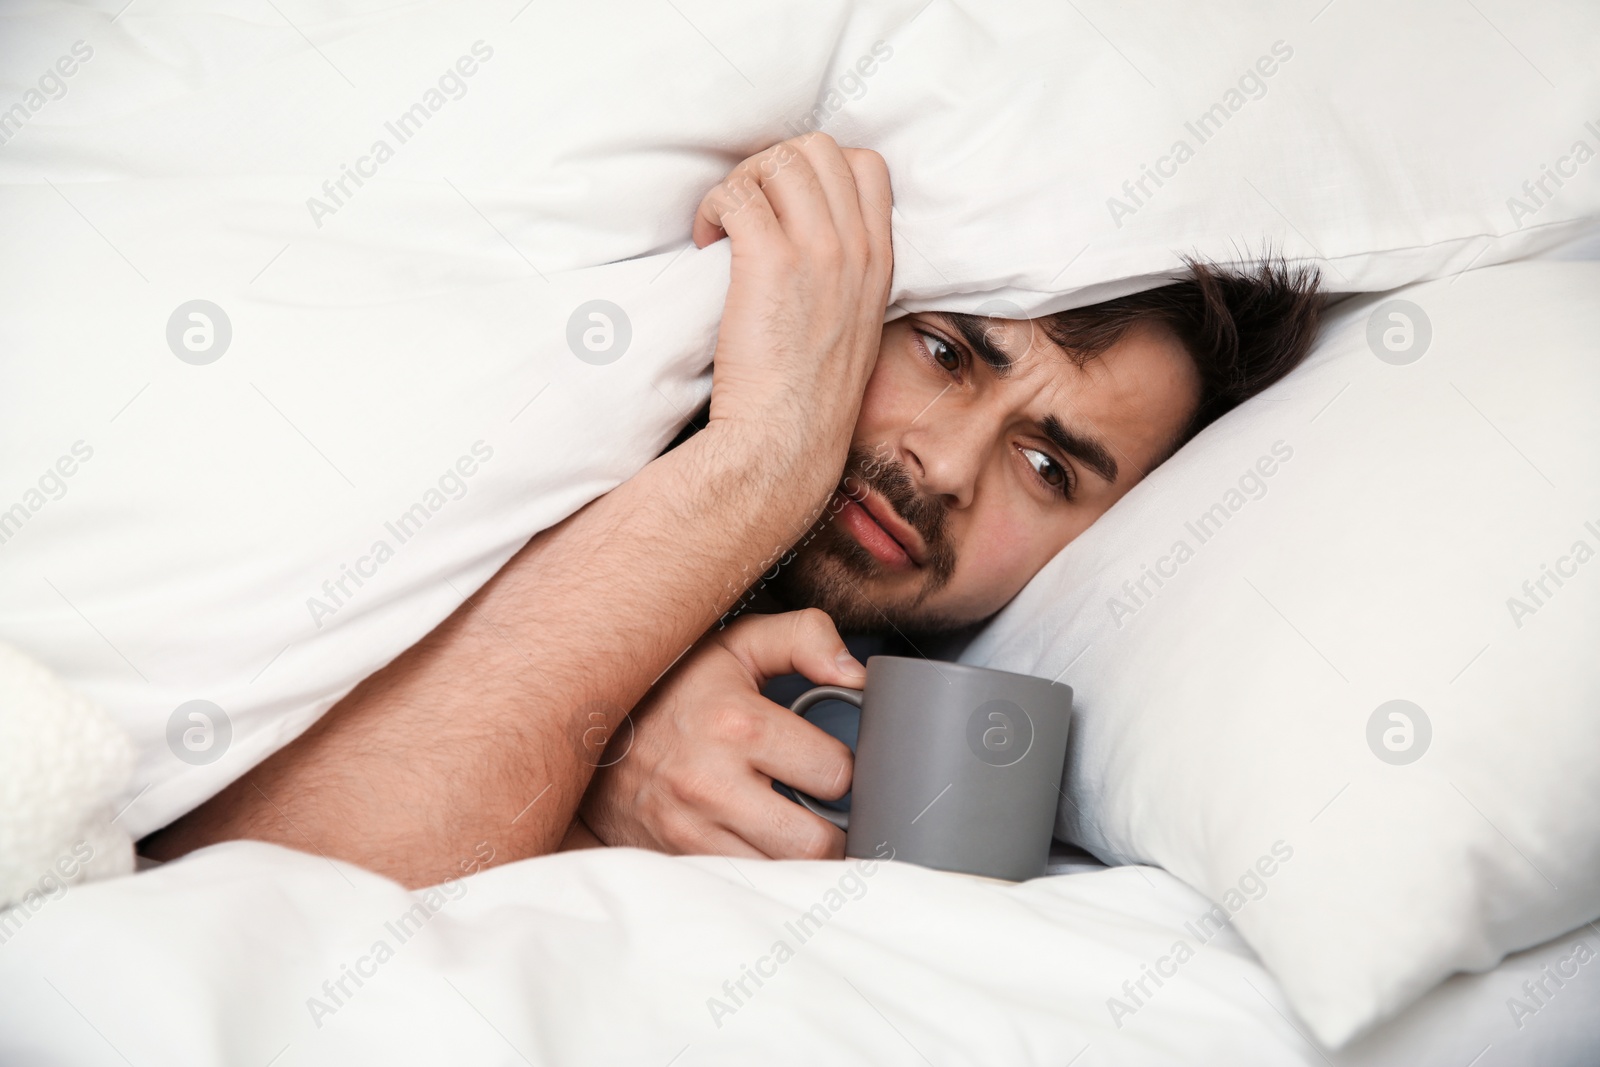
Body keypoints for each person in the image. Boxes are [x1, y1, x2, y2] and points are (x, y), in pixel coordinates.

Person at [142, 133, 1320, 887]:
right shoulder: (551, 434)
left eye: (1050, 468)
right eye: (947, 350)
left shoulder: (881, 720)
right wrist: (757, 468)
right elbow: (230, 880)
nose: (948, 466)